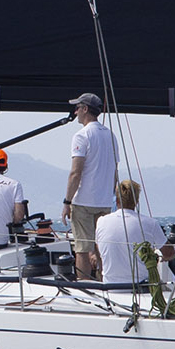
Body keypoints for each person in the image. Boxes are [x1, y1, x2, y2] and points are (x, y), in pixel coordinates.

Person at [61, 92, 117, 280]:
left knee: (82, 249)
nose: (75, 111)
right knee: (102, 246)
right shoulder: (111, 135)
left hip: (83, 201)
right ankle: (104, 282)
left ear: (85, 109)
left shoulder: (81, 135)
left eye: (77, 107)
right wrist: (111, 195)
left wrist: (67, 201)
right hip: (104, 201)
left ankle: (84, 287)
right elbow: (114, 172)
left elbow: (76, 172)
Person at [94, 179, 175, 288]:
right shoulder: (150, 223)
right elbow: (169, 253)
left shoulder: (101, 222)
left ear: (116, 201)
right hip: (141, 286)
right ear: (136, 202)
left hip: (110, 287)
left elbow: (99, 251)